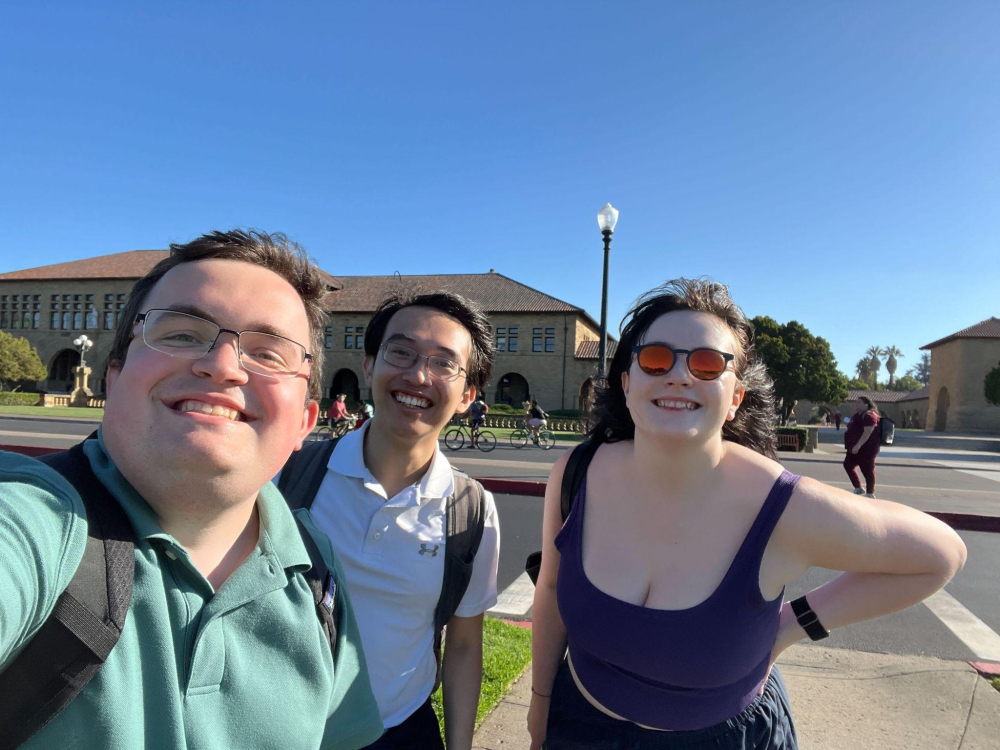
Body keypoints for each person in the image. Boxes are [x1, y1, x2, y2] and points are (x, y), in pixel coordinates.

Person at [528, 278, 966, 750]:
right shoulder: (575, 473)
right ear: (627, 382)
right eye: (656, 359)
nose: (679, 375)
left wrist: (791, 626)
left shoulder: (781, 507)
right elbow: (550, 589)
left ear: (735, 397)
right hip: (578, 727)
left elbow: (941, 554)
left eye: (707, 363)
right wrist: (539, 706)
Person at [0, 230, 382, 749]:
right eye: (180, 333)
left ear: (305, 423)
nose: (222, 365)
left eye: (269, 353)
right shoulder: (33, 521)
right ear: (114, 380)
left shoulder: (316, 570)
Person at [281, 291, 501, 750]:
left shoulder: (471, 510)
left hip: (399, 731)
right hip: (280, 726)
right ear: (369, 365)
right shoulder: (291, 471)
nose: (418, 375)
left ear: (467, 396)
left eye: (444, 363)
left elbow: (462, 645)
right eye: (400, 352)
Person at [843, 396, 880, 498]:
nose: (856, 405)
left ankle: (870, 493)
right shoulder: (857, 415)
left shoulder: (870, 416)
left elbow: (868, 432)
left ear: (866, 404)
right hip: (854, 448)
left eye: (859, 403)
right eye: (856, 403)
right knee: (848, 465)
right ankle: (858, 488)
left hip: (866, 449)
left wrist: (858, 445)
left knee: (867, 470)